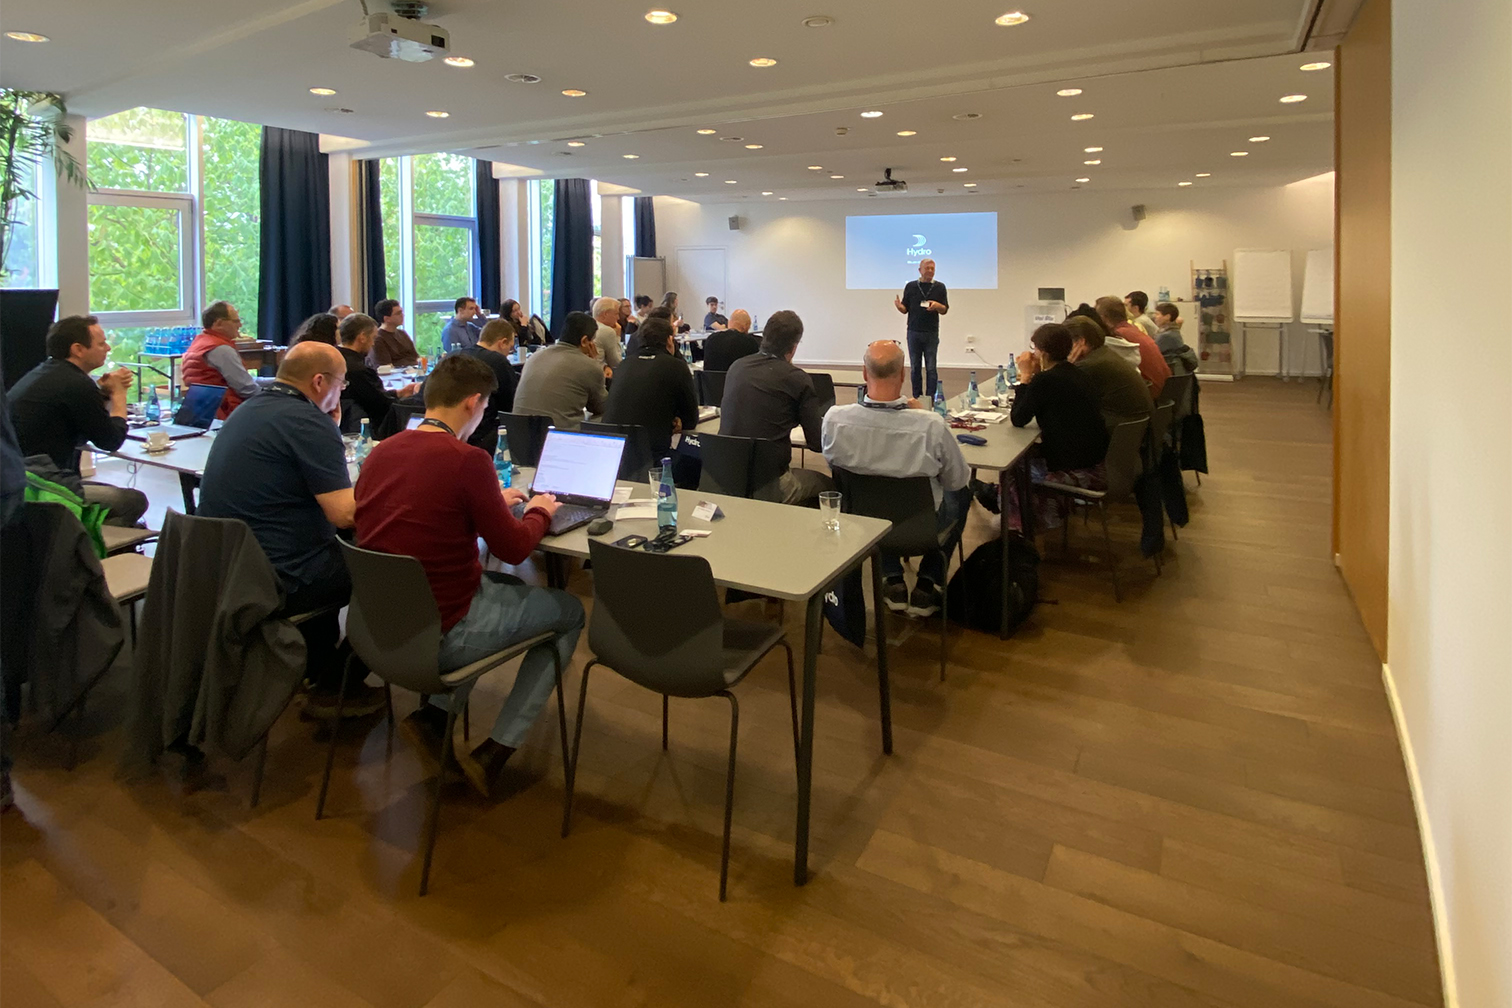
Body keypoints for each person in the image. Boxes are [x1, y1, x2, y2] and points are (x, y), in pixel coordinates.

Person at [355, 353, 583, 797]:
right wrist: (538, 510)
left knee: (504, 587)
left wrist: (490, 500)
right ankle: (496, 750)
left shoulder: (381, 452)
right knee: (569, 612)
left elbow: (426, 512)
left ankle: (435, 717)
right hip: (443, 635)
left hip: (378, 627)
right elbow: (514, 548)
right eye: (484, 409)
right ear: (472, 403)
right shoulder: (467, 460)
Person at [197, 342, 385, 718]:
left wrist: (328, 429)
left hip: (228, 567)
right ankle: (337, 686)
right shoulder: (306, 422)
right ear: (319, 382)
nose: (341, 392)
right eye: (341, 384)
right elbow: (344, 514)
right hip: (279, 576)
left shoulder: (250, 409)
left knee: (333, 550)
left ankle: (312, 665)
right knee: (391, 575)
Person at [821, 340, 969, 617]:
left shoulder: (834, 419)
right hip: (923, 528)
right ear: (903, 374)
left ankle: (892, 578)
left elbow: (834, 467)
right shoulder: (931, 425)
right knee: (963, 492)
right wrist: (921, 414)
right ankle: (929, 582)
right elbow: (956, 480)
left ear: (864, 373)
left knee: (877, 497)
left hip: (863, 525)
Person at [8, 315, 147, 526]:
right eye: (101, 344)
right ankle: (84, 542)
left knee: (116, 504)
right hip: (39, 485)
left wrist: (103, 394)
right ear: (78, 349)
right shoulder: (77, 384)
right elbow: (111, 441)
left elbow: (82, 418)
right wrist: (119, 394)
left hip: (20, 477)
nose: (108, 348)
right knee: (133, 500)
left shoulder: (46, 373)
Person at [719, 310, 834, 506]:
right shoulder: (797, 379)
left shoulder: (736, 367)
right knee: (829, 486)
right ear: (794, 347)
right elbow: (816, 442)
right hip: (770, 485)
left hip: (726, 478)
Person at [1009, 323, 1112, 530]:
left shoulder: (1045, 380)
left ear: (1044, 354)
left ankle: (1022, 524)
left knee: (1014, 465)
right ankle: (1005, 502)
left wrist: (1026, 377)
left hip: (1073, 464)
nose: (1033, 354)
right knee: (1027, 453)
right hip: (1093, 456)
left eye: (1035, 349)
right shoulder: (1078, 373)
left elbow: (1018, 418)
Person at [602, 316, 699, 461]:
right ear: (670, 340)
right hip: (652, 455)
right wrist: (676, 419)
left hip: (613, 453)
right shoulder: (676, 367)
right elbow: (691, 420)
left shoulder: (623, 365)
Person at [512, 311, 608, 431]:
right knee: (607, 417)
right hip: (557, 436)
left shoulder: (535, 356)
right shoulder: (589, 366)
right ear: (584, 341)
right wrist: (595, 362)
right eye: (592, 340)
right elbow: (602, 408)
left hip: (518, 433)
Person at [338, 313, 421, 437]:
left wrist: (398, 393)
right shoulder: (359, 370)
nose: (372, 344)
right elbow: (381, 405)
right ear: (362, 337)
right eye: (373, 338)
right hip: (367, 427)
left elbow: (372, 396)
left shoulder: (335, 359)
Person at [182, 301, 267, 418]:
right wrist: (274, 398)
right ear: (219, 323)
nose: (240, 325)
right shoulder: (221, 349)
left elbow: (243, 379)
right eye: (236, 321)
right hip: (224, 413)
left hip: (201, 411)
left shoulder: (200, 342)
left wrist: (276, 383)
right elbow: (246, 389)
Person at [1068, 314, 1154, 424]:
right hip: (1136, 425)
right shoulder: (1105, 354)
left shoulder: (1090, 365)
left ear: (1080, 342)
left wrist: (1066, 366)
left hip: (1119, 425)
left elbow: (1059, 396)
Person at [457, 318, 519, 455]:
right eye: (510, 347)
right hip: (483, 435)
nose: (509, 352)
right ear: (502, 343)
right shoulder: (498, 362)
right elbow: (510, 406)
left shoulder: (456, 355)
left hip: (455, 433)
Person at [893, 258, 949, 399]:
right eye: (927, 268)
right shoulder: (911, 286)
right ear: (920, 270)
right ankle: (917, 397)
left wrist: (937, 306)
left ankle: (931, 397)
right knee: (915, 367)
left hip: (931, 332)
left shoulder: (940, 287)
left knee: (931, 367)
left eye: (932, 269)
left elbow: (944, 309)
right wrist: (899, 307)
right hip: (913, 331)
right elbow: (905, 309)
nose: (930, 271)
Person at [1095, 296, 1170, 397]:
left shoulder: (1118, 336)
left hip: (1149, 393)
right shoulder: (1132, 329)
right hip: (1162, 390)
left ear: (1103, 318)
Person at [370, 299, 420, 368]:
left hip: (412, 371)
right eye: (398, 313)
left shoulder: (402, 334)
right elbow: (385, 367)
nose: (402, 315)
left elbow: (416, 357)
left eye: (402, 312)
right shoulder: (378, 339)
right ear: (387, 319)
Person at [1152, 302, 1199, 377]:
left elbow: (1152, 354)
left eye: (1157, 314)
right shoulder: (1174, 331)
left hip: (1170, 374)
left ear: (1167, 317)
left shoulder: (1166, 336)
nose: (1155, 317)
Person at [590, 296, 624, 372]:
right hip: (598, 375)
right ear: (605, 314)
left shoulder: (588, 326)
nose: (618, 318)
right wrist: (617, 336)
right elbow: (617, 363)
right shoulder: (607, 331)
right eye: (616, 314)